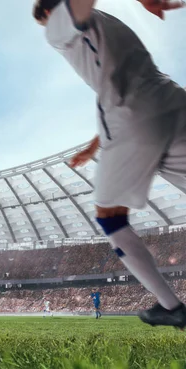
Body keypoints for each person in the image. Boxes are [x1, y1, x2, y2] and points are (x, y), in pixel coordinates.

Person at [33, 0, 186, 328]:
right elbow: (123, 80)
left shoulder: (57, 23)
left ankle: (172, 307)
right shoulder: (110, 23)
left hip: (133, 118)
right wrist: (93, 147)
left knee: (110, 216)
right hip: (174, 103)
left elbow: (122, 98)